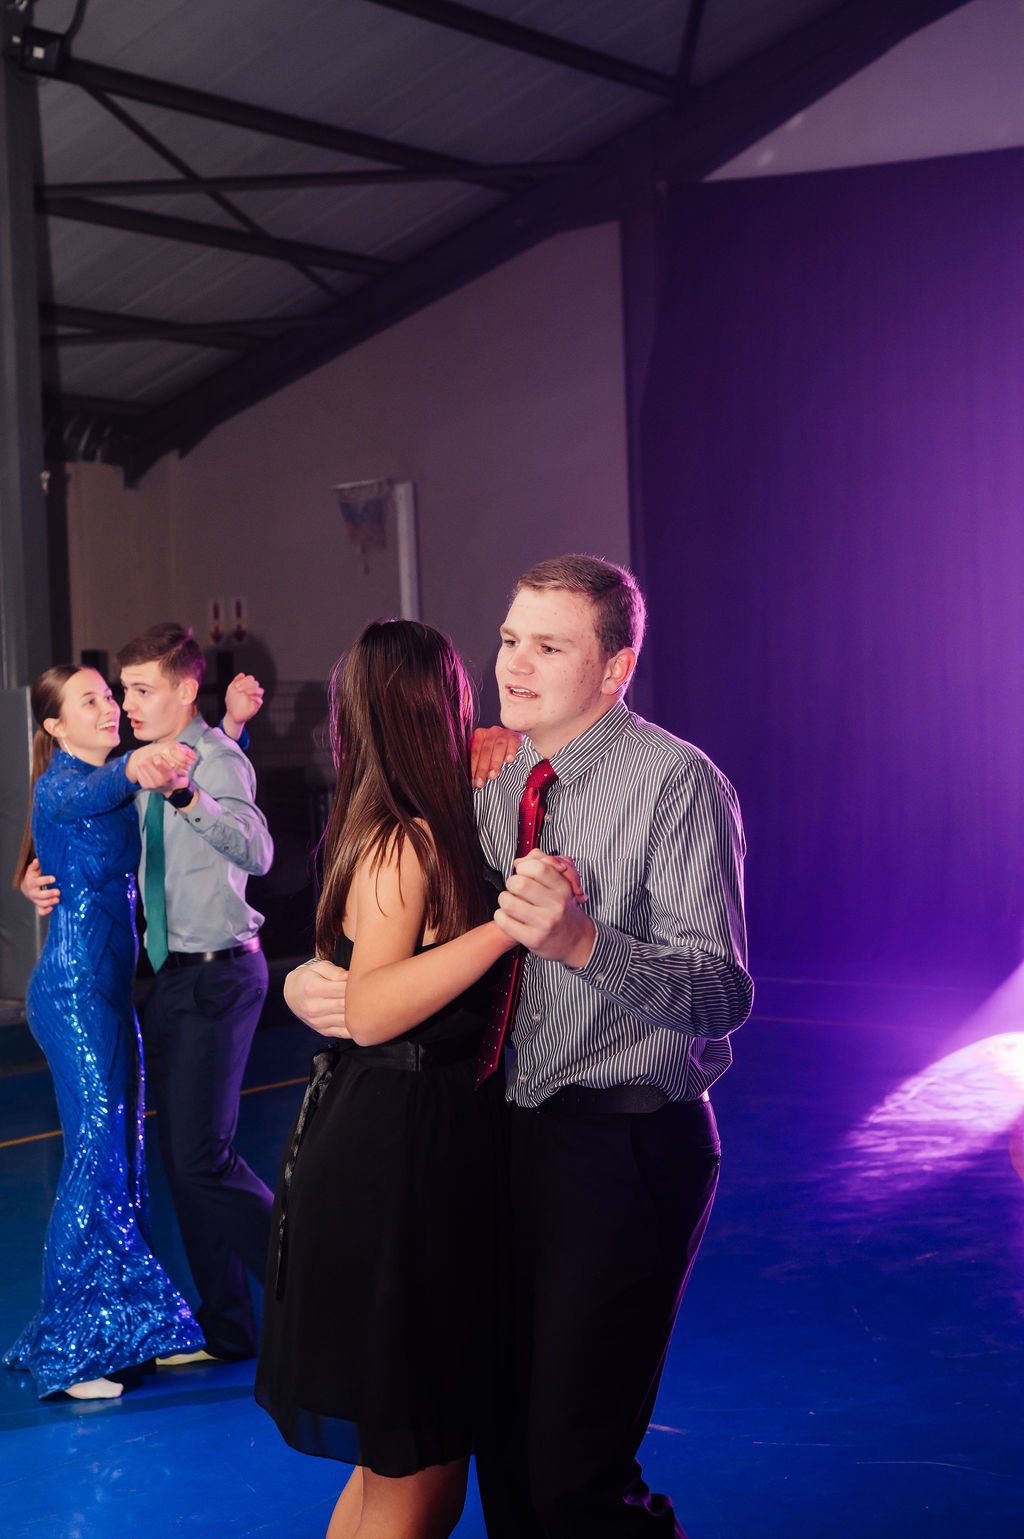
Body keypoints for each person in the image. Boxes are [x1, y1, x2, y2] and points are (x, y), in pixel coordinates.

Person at [286, 555, 753, 1538]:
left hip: (621, 1141)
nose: (515, 663)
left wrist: (582, 941)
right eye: (508, 639)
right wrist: (314, 976)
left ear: (615, 668)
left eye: (549, 645)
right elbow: (396, 907)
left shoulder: (674, 782)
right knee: (498, 1450)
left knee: (571, 1472)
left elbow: (720, 993)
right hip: (495, 1140)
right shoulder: (488, 780)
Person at [255, 619, 516, 1539]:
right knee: (417, 1475)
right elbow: (370, 1010)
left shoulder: (402, 825)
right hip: (394, 1157)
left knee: (404, 1469)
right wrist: (508, 927)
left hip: (401, 1144)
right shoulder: (404, 840)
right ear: (439, 703)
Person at [23, 630, 274, 1364]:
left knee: (200, 1160)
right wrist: (29, 877)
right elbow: (74, 813)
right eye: (114, 693)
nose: (124, 706)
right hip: (148, 980)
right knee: (174, 1164)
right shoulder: (130, 767)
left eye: (135, 691)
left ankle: (315, 1293)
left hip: (217, 973)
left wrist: (192, 782)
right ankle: (227, 1327)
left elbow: (257, 850)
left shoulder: (205, 761)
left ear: (183, 691)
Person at [5, 666, 203, 1400]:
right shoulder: (62, 783)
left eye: (109, 695)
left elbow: (98, 807)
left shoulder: (101, 784)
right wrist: (137, 763)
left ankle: (131, 1326)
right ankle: (74, 1351)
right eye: (90, 700)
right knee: (95, 1159)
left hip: (110, 994)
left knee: (121, 1155)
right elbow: (96, 790)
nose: (109, 706)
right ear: (55, 726)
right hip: (74, 993)